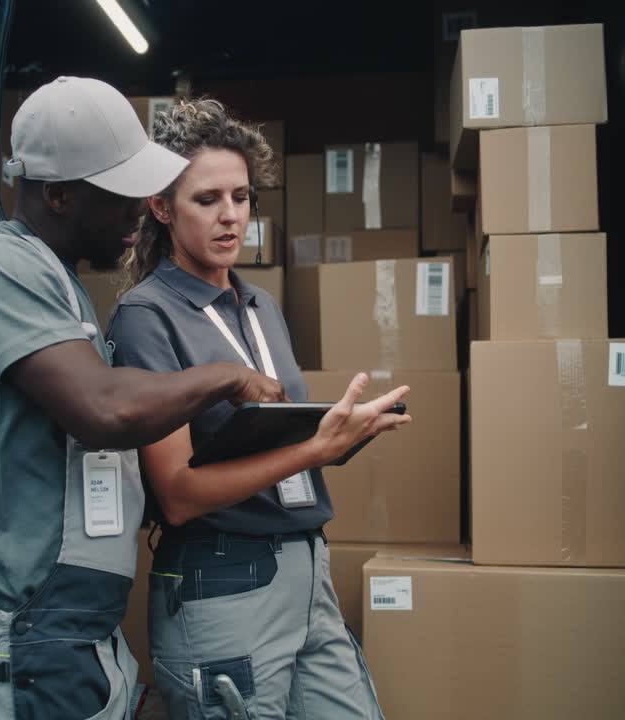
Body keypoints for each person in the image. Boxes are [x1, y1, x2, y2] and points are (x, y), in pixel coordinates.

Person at [0, 77, 289, 720]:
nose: (140, 206)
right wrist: (225, 377)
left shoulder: (58, 283)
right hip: (28, 630)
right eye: (123, 190)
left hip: (73, 631)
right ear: (59, 193)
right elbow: (102, 409)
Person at [107, 98, 410, 719]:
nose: (230, 217)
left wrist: (339, 436)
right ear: (161, 208)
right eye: (207, 199)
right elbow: (178, 495)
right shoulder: (146, 315)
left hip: (306, 567)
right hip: (225, 579)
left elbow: (272, 443)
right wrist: (313, 449)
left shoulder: (261, 306)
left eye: (241, 197)